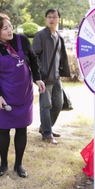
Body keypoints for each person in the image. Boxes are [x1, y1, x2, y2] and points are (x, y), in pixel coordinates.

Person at [0, 13, 45, 178]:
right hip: (6, 95)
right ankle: (3, 163)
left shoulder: (22, 40)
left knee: (21, 128)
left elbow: (33, 60)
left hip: (24, 93)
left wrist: (38, 78)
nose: (9, 30)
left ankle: (18, 164)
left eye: (10, 26)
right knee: (4, 130)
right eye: (5, 28)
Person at [32, 9, 71, 144]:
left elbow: (61, 57)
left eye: (54, 17)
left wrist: (62, 70)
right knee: (46, 106)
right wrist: (40, 71)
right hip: (44, 77)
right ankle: (47, 133)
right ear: (45, 19)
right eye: (49, 17)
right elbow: (32, 56)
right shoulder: (40, 35)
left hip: (56, 76)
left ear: (59, 19)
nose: (51, 19)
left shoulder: (59, 37)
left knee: (58, 104)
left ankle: (45, 127)